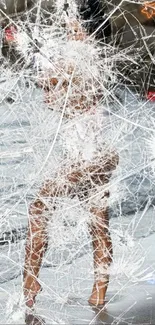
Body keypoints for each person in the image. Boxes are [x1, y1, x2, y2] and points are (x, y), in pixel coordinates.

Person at [23, 8, 119, 308]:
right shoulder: (97, 61)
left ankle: (29, 288)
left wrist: (49, 79)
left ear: (85, 28)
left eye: (73, 23)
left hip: (87, 157)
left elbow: (60, 99)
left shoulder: (82, 60)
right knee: (98, 224)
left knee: (39, 210)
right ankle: (99, 293)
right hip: (99, 153)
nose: (68, 27)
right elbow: (67, 99)